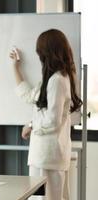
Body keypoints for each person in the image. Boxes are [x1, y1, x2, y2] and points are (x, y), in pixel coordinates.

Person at [9, 29, 82, 200]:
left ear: (48, 52)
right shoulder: (55, 78)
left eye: (40, 52)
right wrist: (15, 67)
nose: (39, 56)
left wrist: (31, 125)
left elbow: (52, 120)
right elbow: (30, 97)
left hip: (48, 156)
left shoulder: (57, 80)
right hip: (48, 155)